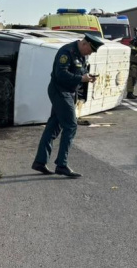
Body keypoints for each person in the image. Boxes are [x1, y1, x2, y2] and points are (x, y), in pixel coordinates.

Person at [32, 34, 104, 178]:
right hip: (60, 91)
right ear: (85, 44)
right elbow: (60, 74)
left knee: (53, 126)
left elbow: (80, 71)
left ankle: (40, 162)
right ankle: (62, 165)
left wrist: (88, 76)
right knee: (71, 125)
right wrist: (80, 78)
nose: (90, 53)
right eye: (90, 50)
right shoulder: (66, 52)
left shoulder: (81, 55)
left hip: (69, 92)